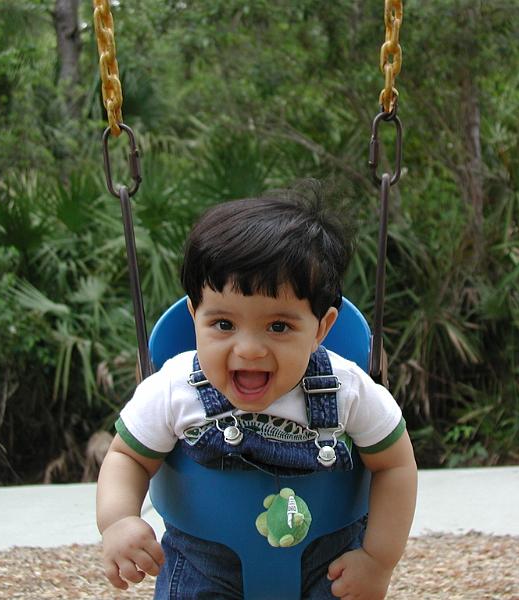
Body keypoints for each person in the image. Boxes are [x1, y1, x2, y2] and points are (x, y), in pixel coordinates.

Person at [96, 181, 417, 599]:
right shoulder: (174, 388)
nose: (248, 350)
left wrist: (378, 559)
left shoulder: (346, 388)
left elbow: (395, 465)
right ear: (195, 317)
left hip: (327, 564)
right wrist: (119, 520)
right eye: (223, 324)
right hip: (204, 567)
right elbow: (127, 458)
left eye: (279, 326)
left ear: (322, 328)